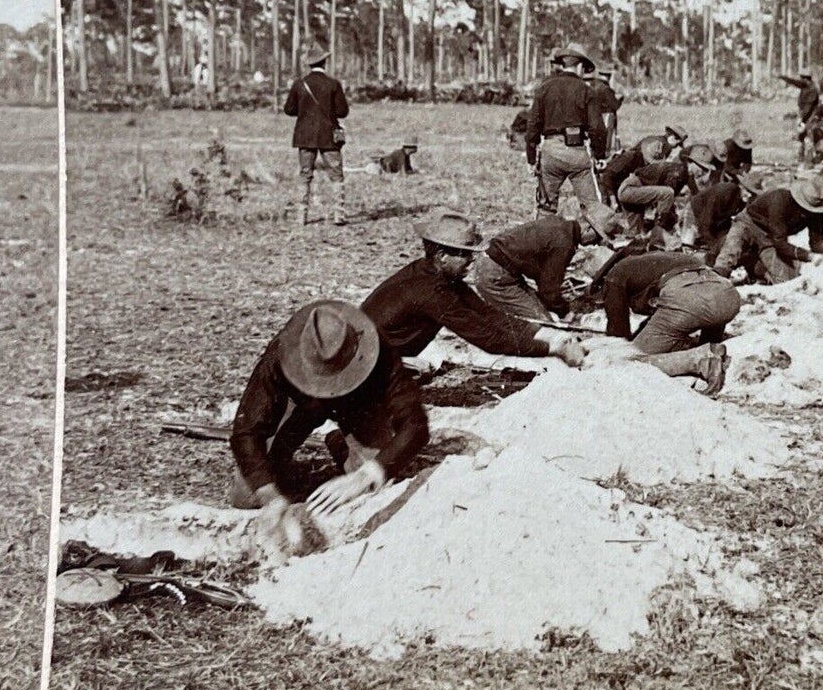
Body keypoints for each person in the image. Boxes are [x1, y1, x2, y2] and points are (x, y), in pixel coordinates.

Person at [228, 300, 428, 537]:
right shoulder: (282, 353)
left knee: (376, 488)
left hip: (356, 407)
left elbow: (416, 424)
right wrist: (270, 496)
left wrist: (368, 474)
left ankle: (342, 444)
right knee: (246, 494)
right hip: (303, 406)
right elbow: (245, 431)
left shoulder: (379, 351)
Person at [361, 210, 585, 367]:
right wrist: (552, 349)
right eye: (464, 254)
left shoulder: (432, 274)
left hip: (370, 352)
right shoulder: (431, 294)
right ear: (442, 256)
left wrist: (543, 332)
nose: (471, 260)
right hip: (364, 363)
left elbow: (487, 313)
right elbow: (488, 338)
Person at [596, 251, 737, 394]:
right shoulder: (659, 261)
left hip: (692, 300)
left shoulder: (613, 277)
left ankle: (702, 361)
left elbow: (618, 336)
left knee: (629, 359)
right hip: (727, 295)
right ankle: (710, 348)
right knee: (696, 309)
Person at [526, 43, 608, 217]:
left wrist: (531, 159)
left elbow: (532, 126)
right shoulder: (587, 91)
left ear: (562, 64)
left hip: (551, 150)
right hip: (577, 151)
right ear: (579, 66)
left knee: (546, 206)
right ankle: (603, 240)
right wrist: (599, 155)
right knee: (593, 206)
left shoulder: (544, 88)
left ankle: (542, 240)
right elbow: (597, 128)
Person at [471, 213, 588, 322]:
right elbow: (548, 288)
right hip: (495, 277)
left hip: (493, 267)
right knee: (544, 322)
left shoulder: (559, 224)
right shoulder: (564, 242)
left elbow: (542, 275)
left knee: (540, 307)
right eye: (598, 237)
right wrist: (564, 311)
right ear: (588, 229)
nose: (595, 243)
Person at [714, 175, 823, 284]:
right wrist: (808, 256)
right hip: (749, 223)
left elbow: (817, 240)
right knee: (731, 251)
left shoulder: (815, 213)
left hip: (769, 237)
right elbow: (780, 243)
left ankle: (755, 266)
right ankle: (716, 280)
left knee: (786, 279)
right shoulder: (780, 200)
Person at [283, 47, 349, 226]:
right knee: (336, 175)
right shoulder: (333, 84)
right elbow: (343, 111)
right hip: (329, 136)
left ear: (309, 65)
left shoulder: (299, 84)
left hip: (305, 136)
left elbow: (289, 110)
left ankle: (301, 216)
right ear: (324, 63)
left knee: (305, 175)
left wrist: (304, 111)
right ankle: (339, 215)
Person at [688, 171, 762, 262]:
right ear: (741, 186)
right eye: (747, 190)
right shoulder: (726, 190)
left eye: (752, 193)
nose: (749, 195)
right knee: (687, 249)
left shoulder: (743, 201)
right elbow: (706, 219)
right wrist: (713, 246)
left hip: (716, 220)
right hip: (695, 213)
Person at [589, 59, 623, 158]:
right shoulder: (605, 89)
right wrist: (620, 99)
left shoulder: (594, 86)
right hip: (606, 117)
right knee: (606, 143)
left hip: (595, 116)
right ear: (608, 76)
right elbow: (615, 105)